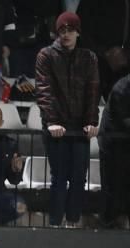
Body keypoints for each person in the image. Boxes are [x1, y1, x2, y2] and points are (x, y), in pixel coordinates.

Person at [36, 12, 100, 228]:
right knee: (59, 177)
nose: (66, 34)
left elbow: (93, 91)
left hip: (79, 128)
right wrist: (51, 121)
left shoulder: (89, 57)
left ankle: (73, 223)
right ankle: (55, 224)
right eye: (62, 30)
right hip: (56, 126)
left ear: (78, 32)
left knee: (79, 178)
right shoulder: (46, 55)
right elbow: (44, 90)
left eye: (70, 30)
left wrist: (92, 121)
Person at [98, 71, 130, 229]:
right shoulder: (123, 88)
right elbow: (126, 121)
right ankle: (108, 226)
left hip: (125, 143)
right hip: (113, 145)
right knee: (113, 188)